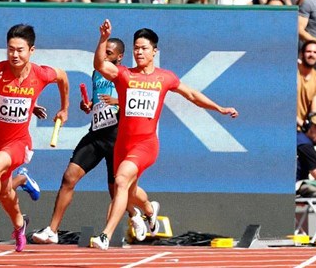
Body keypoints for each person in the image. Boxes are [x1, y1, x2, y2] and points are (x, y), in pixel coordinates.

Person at [90, 19, 238, 249]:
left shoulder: (165, 77)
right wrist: (103, 39)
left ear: (154, 51)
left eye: (144, 48)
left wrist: (219, 108)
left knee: (120, 181)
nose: (139, 52)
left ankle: (105, 236)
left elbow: (192, 95)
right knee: (129, 190)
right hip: (123, 144)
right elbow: (100, 65)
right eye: (136, 48)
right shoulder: (124, 74)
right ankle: (149, 210)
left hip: (146, 144)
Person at [32, 38, 150, 244]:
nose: (104, 56)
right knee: (69, 177)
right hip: (96, 134)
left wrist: (118, 102)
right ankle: (52, 230)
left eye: (110, 53)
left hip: (118, 136)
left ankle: (141, 212)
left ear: (120, 57)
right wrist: (89, 105)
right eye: (103, 52)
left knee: (117, 189)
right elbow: (99, 102)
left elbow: (139, 104)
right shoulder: (97, 73)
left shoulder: (126, 76)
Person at [0, 24, 69, 252]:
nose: (14, 54)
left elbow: (62, 76)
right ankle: (20, 225)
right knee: (4, 192)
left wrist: (64, 108)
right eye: (10, 49)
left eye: (20, 50)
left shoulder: (40, 74)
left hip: (19, 143)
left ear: (31, 50)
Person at [297, 40, 316, 131]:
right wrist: (300, 122)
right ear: (301, 54)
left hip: (301, 130)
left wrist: (307, 126)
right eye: (308, 51)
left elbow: (314, 113)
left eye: (315, 52)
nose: (311, 55)